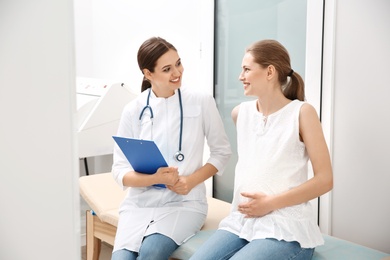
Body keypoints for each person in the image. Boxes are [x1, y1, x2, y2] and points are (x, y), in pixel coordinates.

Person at [189, 39, 333, 260]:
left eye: (246, 69)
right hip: (242, 221)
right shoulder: (241, 113)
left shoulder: (302, 113)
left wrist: (269, 204)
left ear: (270, 72)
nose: (240, 76)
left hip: (287, 227)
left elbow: (325, 180)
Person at [111, 37, 232, 260]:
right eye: (167, 69)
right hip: (139, 204)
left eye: (178, 63)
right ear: (148, 74)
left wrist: (191, 181)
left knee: (152, 252)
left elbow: (222, 152)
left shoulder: (201, 101)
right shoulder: (133, 110)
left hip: (184, 203)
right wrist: (154, 178)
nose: (177, 72)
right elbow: (119, 171)